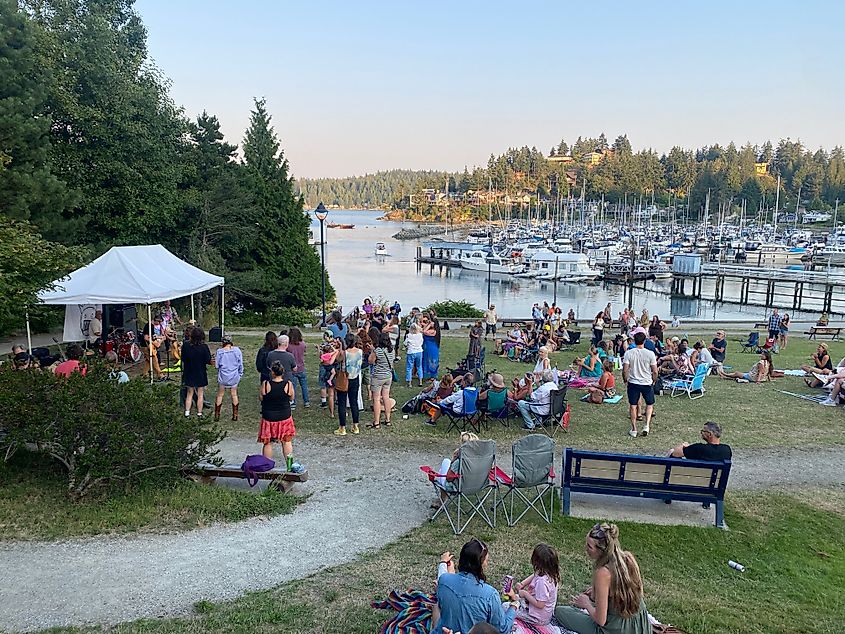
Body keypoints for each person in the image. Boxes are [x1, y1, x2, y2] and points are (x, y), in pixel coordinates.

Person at [555, 523, 650, 634]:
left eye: (589, 546)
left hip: (617, 629)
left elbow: (600, 620)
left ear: (601, 550)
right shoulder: (628, 559)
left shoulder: (603, 573)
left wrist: (586, 604)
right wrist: (599, 592)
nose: (585, 548)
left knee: (561, 612)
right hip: (640, 625)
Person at [431, 538, 517, 634]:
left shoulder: (444, 580)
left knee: (436, 607)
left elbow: (445, 581)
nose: (487, 564)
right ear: (481, 564)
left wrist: (443, 564)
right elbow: (502, 629)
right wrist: (514, 605)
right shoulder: (490, 594)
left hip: (445, 631)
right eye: (486, 561)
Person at [259, 360, 304, 473]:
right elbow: (291, 398)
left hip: (269, 417)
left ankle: (266, 466)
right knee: (286, 441)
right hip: (284, 417)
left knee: (268, 442)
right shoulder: (288, 384)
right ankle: (289, 466)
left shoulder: (265, 384)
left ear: (272, 373)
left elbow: (261, 398)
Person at [514, 543, 560, 627]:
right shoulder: (549, 572)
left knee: (507, 607)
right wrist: (522, 583)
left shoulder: (542, 582)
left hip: (538, 618)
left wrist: (525, 594)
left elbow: (540, 604)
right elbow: (535, 574)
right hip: (540, 611)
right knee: (515, 599)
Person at [622, 332, 657, 438]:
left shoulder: (629, 353)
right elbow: (654, 371)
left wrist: (625, 379)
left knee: (633, 405)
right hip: (646, 382)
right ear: (644, 341)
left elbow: (625, 370)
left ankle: (634, 429)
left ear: (633, 341)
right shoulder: (650, 353)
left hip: (633, 382)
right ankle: (646, 425)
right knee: (649, 404)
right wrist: (654, 380)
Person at [335, 333, 362, 436]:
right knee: (354, 402)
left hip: (344, 379)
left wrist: (340, 347)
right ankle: (355, 426)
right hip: (355, 378)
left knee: (342, 403)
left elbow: (338, 359)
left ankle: (342, 427)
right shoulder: (360, 351)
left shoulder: (344, 353)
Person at [182, 327, 212, 417]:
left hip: (189, 371)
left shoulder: (186, 345)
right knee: (200, 394)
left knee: (189, 393)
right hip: (200, 372)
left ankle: (187, 412)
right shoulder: (204, 347)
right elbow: (208, 360)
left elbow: (183, 358)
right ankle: (199, 413)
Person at [214, 334, 243, 421]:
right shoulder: (237, 351)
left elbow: (216, 365)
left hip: (223, 376)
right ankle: (235, 415)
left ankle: (217, 415)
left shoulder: (220, 352)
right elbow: (240, 364)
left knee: (220, 395)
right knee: (234, 394)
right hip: (234, 376)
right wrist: (240, 374)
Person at [668, 421, 732, 461]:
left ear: (709, 434)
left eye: (703, 431)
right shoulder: (727, 450)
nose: (701, 433)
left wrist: (683, 446)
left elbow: (676, 453)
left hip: (691, 480)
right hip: (715, 482)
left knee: (672, 451)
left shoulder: (699, 448)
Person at [369, 332, 395, 428]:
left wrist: (373, 350)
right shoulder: (391, 350)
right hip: (388, 376)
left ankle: (376, 422)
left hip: (378, 376)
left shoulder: (378, 350)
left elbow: (370, 361)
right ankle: (388, 420)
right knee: (386, 397)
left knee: (376, 399)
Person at [287, 327, 310, 408]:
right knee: (304, 386)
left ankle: (293, 402)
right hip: (301, 368)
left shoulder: (288, 346)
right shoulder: (303, 344)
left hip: (292, 369)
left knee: (293, 387)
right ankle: (306, 401)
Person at [318, 341, 339, 416]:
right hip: (330, 369)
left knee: (326, 390)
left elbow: (321, 359)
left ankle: (331, 413)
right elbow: (335, 353)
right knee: (332, 394)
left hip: (325, 370)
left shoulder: (323, 356)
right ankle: (335, 408)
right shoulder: (332, 355)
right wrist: (334, 348)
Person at [140, 316, 164, 381]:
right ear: (156, 320)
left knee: (148, 361)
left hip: (148, 345)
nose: (159, 324)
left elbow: (151, 336)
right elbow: (146, 337)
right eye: (159, 322)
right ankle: (160, 375)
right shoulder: (149, 326)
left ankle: (144, 374)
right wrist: (155, 343)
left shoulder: (152, 326)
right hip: (146, 346)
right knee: (154, 360)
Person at [421, 313, 441, 379]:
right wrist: (427, 324)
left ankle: (433, 376)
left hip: (431, 348)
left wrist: (429, 325)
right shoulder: (430, 329)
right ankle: (428, 375)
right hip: (427, 347)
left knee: (432, 360)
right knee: (426, 360)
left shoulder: (434, 331)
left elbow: (424, 331)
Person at [404, 323, 424, 387]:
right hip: (419, 351)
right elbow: (421, 342)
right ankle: (420, 381)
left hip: (411, 352)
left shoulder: (409, 335)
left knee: (409, 367)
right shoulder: (420, 335)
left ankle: (409, 383)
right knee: (419, 366)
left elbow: (405, 343)